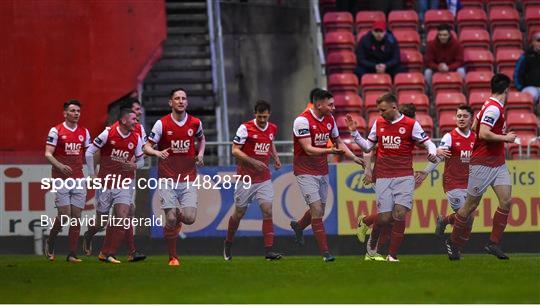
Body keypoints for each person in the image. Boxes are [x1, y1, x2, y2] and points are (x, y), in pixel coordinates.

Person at [345, 93, 439, 261]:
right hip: (383, 176)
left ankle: (392, 255)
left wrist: (431, 153)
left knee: (400, 214)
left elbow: (429, 143)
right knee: (384, 218)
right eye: (378, 110)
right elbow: (368, 147)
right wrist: (355, 134)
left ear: (393, 107)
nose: (380, 113)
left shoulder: (411, 124)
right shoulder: (379, 123)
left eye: (383, 110)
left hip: (404, 175)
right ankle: (372, 246)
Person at [445, 74, 517, 261]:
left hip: (498, 163)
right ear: (507, 89)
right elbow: (483, 132)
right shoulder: (493, 109)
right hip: (483, 164)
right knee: (470, 205)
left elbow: (476, 126)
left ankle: (493, 243)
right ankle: (452, 243)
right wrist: (505, 138)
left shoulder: (488, 105)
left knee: (506, 201)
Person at [289, 89, 365, 262]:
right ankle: (325, 253)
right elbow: (308, 149)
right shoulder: (302, 121)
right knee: (316, 209)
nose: (333, 107)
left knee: (320, 210)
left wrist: (354, 157)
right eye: (330, 104)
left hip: (322, 170)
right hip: (305, 171)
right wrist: (330, 150)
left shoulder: (330, 119)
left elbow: (338, 142)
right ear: (318, 104)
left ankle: (299, 226)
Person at [143, 88, 206, 266]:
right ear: (170, 102)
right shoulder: (161, 124)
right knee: (170, 219)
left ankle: (177, 215)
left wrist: (200, 154)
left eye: (183, 98)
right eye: (177, 98)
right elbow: (146, 147)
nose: (180, 101)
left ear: (187, 102)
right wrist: (156, 152)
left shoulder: (195, 123)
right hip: (167, 178)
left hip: (188, 178)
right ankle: (173, 257)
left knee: (189, 218)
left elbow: (202, 139)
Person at [82, 97, 147, 262]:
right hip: (106, 183)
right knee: (101, 223)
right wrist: (92, 174)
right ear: (123, 120)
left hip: (125, 183)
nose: (136, 121)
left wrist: (135, 166)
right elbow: (89, 152)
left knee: (122, 215)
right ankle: (89, 235)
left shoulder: (136, 138)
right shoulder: (108, 133)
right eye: (133, 119)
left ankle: (108, 253)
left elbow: (141, 161)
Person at [223, 100, 283, 261]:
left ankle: (269, 251)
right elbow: (235, 150)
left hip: (263, 178)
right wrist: (253, 162)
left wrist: (275, 157)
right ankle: (228, 243)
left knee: (268, 210)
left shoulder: (272, 128)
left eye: (265, 116)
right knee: (239, 213)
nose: (262, 120)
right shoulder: (245, 128)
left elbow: (270, 142)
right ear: (254, 114)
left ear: (269, 114)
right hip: (246, 178)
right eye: (259, 116)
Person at [356, 103, 418, 255]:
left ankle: (376, 250)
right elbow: (369, 149)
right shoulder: (385, 129)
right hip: (382, 175)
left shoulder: (408, 131)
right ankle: (366, 223)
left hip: (398, 174)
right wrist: (368, 170)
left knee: (393, 216)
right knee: (389, 216)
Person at [414, 105, 475, 239]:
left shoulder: (475, 138)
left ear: (471, 119)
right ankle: (453, 247)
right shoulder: (450, 137)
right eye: (459, 116)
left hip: (470, 184)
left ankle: (445, 223)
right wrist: (425, 172)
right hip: (452, 183)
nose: (461, 119)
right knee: (466, 215)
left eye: (465, 116)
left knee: (469, 220)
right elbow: (439, 156)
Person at [44, 100, 91, 262]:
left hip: (78, 177)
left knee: (77, 216)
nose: (76, 113)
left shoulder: (84, 132)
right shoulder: (56, 130)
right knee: (65, 216)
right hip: (60, 178)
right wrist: (60, 166)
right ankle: (50, 241)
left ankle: (72, 253)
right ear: (65, 113)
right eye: (72, 110)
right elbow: (48, 153)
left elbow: (90, 153)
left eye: (78, 111)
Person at [424, 24, 465, 88]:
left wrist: (449, 67)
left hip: (452, 68)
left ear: (449, 35)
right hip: (437, 68)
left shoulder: (457, 44)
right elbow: (429, 61)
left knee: (461, 71)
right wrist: (438, 67)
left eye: (444, 35)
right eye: (440, 35)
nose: (442, 37)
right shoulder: (431, 45)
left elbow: (460, 61)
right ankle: (431, 91)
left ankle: (460, 89)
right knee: (427, 72)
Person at [514, 32, 540, 105]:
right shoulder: (526, 56)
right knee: (531, 96)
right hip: (530, 87)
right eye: (538, 41)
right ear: (533, 42)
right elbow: (517, 73)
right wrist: (520, 87)